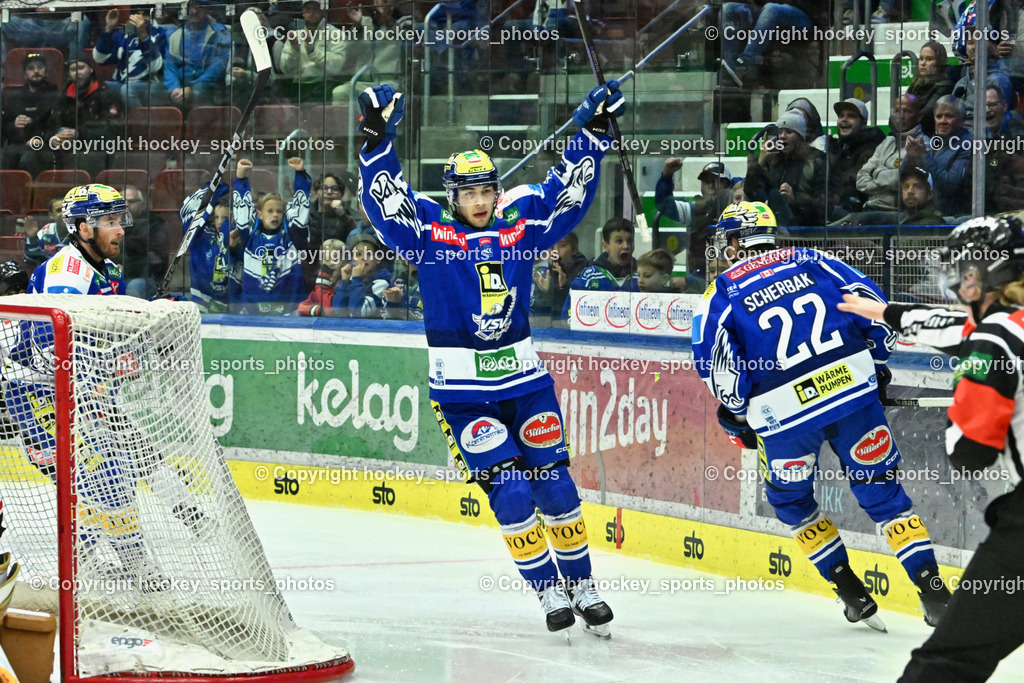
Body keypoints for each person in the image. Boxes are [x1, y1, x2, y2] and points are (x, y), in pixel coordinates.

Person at [356, 80, 621, 636]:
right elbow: (386, 200)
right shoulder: (428, 230)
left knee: (554, 483)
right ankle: (549, 590)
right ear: (451, 196)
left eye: (486, 190)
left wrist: (592, 130)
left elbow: (566, 193)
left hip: (525, 383)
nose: (479, 201)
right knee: (512, 487)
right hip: (463, 395)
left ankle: (583, 583)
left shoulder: (521, 219)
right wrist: (378, 136)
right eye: (468, 193)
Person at [692, 200, 951, 631]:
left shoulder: (718, 296)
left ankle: (851, 591)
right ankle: (934, 593)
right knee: (884, 496)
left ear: (738, 241)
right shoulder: (816, 261)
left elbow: (722, 376)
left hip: (784, 420)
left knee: (791, 501)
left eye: (728, 237)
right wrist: (876, 364)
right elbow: (877, 313)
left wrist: (738, 413)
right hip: (853, 396)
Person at [839, 215, 1024, 681]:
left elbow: (971, 452)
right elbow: (949, 328)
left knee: (948, 662)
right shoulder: (994, 330)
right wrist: (884, 312)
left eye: (964, 273)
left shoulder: (992, 341)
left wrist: (964, 392)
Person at [233, 157, 311, 315]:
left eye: (279, 211)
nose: (275, 215)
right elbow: (241, 211)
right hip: (253, 311)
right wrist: (241, 177)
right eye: (270, 211)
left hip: (289, 310)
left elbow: (301, 208)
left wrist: (300, 174)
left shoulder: (292, 236)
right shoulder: (250, 235)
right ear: (259, 214)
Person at [655, 159, 734, 290]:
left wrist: (689, 281)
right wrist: (667, 175)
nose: (710, 185)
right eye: (706, 181)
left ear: (728, 186)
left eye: (716, 181)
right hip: (700, 280)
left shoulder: (740, 210)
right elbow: (663, 204)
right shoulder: (694, 211)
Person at [743, 110, 826, 227]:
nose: (782, 136)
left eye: (789, 132)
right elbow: (751, 193)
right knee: (774, 194)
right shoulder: (770, 160)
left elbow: (824, 205)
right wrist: (760, 163)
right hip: (771, 225)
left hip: (805, 227)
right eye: (780, 131)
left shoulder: (817, 159)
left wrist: (794, 200)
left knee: (775, 195)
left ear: (800, 136)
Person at [49, 55, 123, 179]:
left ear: (91, 70)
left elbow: (112, 129)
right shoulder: (63, 96)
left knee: (85, 157)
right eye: (73, 69)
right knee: (37, 154)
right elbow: (52, 123)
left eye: (81, 68)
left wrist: (79, 134)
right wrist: (54, 137)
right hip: (68, 145)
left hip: (96, 146)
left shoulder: (106, 94)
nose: (77, 73)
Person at [856, 93, 926, 213]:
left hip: (896, 213)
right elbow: (860, 180)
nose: (901, 116)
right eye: (897, 111)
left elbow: (903, 184)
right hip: (870, 209)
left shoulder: (922, 145)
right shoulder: (887, 142)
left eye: (907, 111)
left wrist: (876, 172)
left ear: (919, 116)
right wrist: (889, 182)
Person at [92, 5, 169, 108]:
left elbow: (156, 67)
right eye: (137, 13)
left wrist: (143, 35)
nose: (140, 18)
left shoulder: (161, 33)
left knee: (128, 89)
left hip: (152, 84)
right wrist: (109, 28)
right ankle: (113, 120)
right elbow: (100, 59)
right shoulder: (123, 34)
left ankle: (137, 122)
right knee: (100, 87)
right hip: (122, 83)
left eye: (144, 14)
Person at [180, 185, 240, 313]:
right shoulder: (202, 235)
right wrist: (217, 189)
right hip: (202, 302)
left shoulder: (239, 236)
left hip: (231, 304)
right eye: (216, 217)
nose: (219, 222)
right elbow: (189, 215)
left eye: (224, 218)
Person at [0, 52, 61, 175]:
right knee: (5, 156)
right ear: (25, 74)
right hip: (19, 145)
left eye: (40, 67)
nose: (36, 71)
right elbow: (6, 126)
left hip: (45, 146)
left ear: (46, 72)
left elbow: (56, 124)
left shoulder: (55, 95)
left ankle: (33, 193)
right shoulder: (16, 98)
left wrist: (40, 138)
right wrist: (15, 125)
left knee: (28, 159)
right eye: (31, 68)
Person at [164, 0, 231, 108]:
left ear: (207, 9)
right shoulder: (173, 34)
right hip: (179, 86)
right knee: (153, 90)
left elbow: (217, 68)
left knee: (199, 90)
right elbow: (169, 66)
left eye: (199, 6)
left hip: (207, 85)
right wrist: (173, 88)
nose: (193, 11)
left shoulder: (219, 32)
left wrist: (191, 88)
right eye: (190, 6)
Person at [826, 98, 885, 221]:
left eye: (851, 116)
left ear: (863, 123)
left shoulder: (871, 149)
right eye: (841, 115)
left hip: (857, 212)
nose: (844, 120)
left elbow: (854, 184)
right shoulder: (836, 148)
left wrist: (833, 198)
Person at [922, 96, 972, 219]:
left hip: (951, 216)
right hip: (925, 212)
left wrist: (923, 156)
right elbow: (902, 177)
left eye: (949, 116)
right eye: (939, 116)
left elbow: (950, 185)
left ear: (962, 120)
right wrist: (911, 157)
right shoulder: (932, 141)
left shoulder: (968, 144)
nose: (942, 121)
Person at [121, 186, 168, 300]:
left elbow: (156, 261)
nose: (126, 205)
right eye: (121, 202)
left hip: (147, 279)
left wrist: (124, 268)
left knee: (133, 287)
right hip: (118, 275)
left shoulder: (154, 225)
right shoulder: (111, 224)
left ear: (142, 204)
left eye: (131, 201)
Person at [331, 232, 392, 318]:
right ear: (353, 260)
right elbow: (338, 311)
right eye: (359, 254)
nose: (363, 258)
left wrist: (356, 279)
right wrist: (344, 282)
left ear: (378, 259)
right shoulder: (352, 281)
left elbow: (358, 313)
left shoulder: (381, 284)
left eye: (369, 254)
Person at [908, 40, 953, 137]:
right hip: (913, 132)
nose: (923, 63)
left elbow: (926, 115)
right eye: (921, 58)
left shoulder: (945, 84)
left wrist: (905, 119)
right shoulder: (917, 83)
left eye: (929, 59)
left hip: (931, 136)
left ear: (939, 62)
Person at [20, 198, 68, 271]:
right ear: (51, 215)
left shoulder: (81, 231)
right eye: (59, 210)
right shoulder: (46, 231)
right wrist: (32, 238)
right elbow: (31, 260)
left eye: (66, 209)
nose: (63, 213)